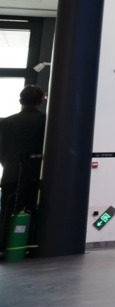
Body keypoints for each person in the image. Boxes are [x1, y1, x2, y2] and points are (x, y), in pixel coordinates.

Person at [0, 85, 47, 256]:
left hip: (10, 176)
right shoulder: (46, 121)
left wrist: (9, 165)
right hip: (35, 178)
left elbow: (2, 151)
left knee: (6, 214)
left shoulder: (5, 122)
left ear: (20, 100)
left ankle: (4, 247)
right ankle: (28, 246)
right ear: (40, 101)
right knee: (32, 213)